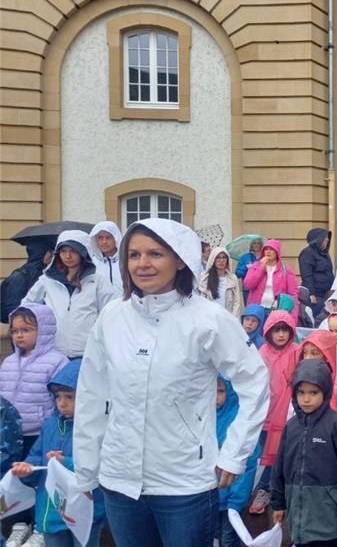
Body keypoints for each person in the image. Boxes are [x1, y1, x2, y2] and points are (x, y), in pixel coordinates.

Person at [73, 218, 270, 547]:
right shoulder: (112, 317)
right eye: (134, 255)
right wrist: (87, 466)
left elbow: (255, 380)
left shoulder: (209, 319)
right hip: (120, 482)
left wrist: (235, 453)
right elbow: (93, 393)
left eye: (155, 254)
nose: (143, 264)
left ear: (180, 259)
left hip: (184, 484)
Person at [12, 359, 106, 547]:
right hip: (50, 513)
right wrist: (26, 470)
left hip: (84, 514)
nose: (62, 403)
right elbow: (36, 457)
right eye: (58, 396)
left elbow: (101, 466)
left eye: (70, 397)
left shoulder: (97, 428)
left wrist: (66, 462)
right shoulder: (49, 426)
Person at [270, 358, 337, 546]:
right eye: (301, 392)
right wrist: (278, 503)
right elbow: (279, 467)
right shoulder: (291, 427)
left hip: (329, 519)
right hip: (298, 519)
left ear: (325, 392)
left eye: (313, 392)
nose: (306, 398)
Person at [23, 231, 116, 359]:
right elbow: (27, 307)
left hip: (88, 352)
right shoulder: (47, 280)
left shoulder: (97, 281)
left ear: (83, 253)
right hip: (54, 352)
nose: (67, 256)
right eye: (63, 251)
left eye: (73, 251)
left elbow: (110, 314)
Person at [0, 304, 68, 455]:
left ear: (43, 331)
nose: (19, 335)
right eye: (14, 331)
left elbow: (62, 399)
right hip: (8, 433)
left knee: (35, 472)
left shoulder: (57, 361)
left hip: (40, 433)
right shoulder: (8, 362)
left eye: (26, 330)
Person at [250, 310, 299, 516]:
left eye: (284, 330)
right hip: (266, 413)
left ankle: (266, 489)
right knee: (265, 454)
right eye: (276, 330)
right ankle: (269, 487)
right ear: (268, 331)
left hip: (287, 413)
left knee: (278, 454)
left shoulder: (296, 351)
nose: (281, 335)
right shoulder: (263, 352)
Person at [216, 375, 262, 547]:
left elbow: (247, 463)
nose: (215, 398)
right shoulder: (204, 418)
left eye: (220, 391)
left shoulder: (238, 422)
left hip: (231, 500)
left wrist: (237, 500)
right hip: (209, 498)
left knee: (228, 540)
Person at [1, 238, 54, 325]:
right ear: (41, 253)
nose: (52, 255)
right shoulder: (19, 277)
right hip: (24, 329)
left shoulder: (44, 275)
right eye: (49, 252)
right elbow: (13, 308)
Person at [243, 239, 298, 321]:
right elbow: (248, 285)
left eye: (271, 249)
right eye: (266, 249)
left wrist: (293, 317)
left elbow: (293, 295)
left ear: (277, 252)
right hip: (257, 310)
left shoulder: (286, 270)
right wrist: (260, 268)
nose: (268, 252)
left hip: (277, 311)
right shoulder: (256, 266)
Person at [197, 247, 243, 317]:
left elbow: (236, 302)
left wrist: (233, 320)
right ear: (213, 260)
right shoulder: (204, 278)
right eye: (218, 257)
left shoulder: (233, 278)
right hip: (210, 317)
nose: (221, 260)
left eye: (224, 257)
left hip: (227, 316)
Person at [298, 228, 334, 316]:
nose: (327, 241)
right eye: (325, 239)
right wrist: (312, 293)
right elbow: (306, 275)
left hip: (326, 294)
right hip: (316, 295)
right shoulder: (307, 253)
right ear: (318, 240)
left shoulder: (324, 254)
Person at [89, 221, 123, 295]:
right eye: (100, 238)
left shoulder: (126, 262)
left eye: (108, 237)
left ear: (116, 238)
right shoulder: (91, 265)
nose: (104, 242)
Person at [235, 236, 264, 304]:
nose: (256, 245)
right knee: (249, 310)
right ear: (251, 245)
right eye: (254, 243)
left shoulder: (264, 257)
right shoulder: (245, 257)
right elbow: (237, 273)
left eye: (258, 243)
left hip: (261, 289)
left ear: (261, 245)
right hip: (248, 290)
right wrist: (246, 267)